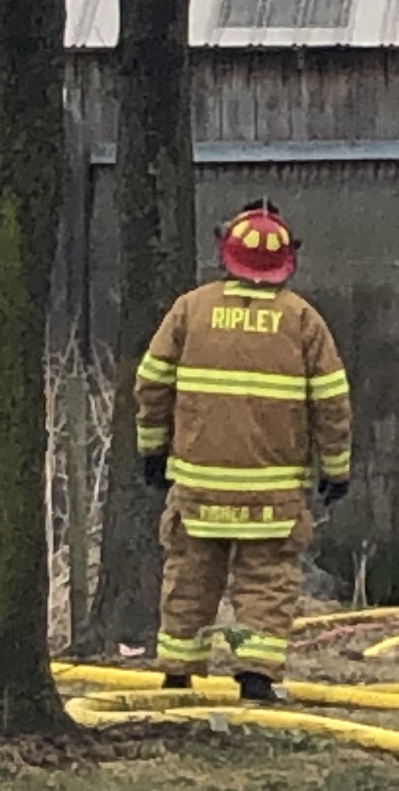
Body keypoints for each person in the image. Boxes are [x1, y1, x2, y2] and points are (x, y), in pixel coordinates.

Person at [133, 202, 351, 701]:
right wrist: (336, 469)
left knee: (189, 577)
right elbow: (332, 402)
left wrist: (152, 451)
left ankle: (177, 676)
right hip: (271, 494)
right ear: (286, 261)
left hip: (198, 485)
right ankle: (255, 680)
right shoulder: (302, 319)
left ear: (224, 253)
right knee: (267, 582)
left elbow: (151, 384)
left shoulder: (190, 308)